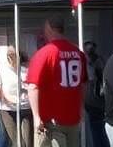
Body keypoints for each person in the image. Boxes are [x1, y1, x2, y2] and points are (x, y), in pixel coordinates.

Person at [27, 15, 87, 147]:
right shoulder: (78, 53)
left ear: (48, 28)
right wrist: (81, 107)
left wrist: (36, 117)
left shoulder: (44, 54)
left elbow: (33, 87)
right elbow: (83, 84)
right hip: (72, 117)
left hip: (52, 121)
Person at [0, 46, 32, 147]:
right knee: (17, 141)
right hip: (8, 109)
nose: (12, 57)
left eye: (14, 55)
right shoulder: (2, 71)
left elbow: (31, 88)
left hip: (25, 107)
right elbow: (1, 92)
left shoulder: (24, 71)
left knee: (28, 140)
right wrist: (8, 101)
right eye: (10, 55)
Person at [83, 42, 108, 147]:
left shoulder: (95, 62)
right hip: (94, 101)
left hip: (95, 101)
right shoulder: (98, 61)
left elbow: (92, 78)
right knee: (97, 128)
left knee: (98, 128)